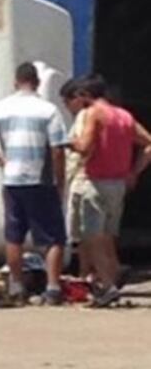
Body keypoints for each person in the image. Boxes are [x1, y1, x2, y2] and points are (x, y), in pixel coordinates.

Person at [0, 63, 68, 306]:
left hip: (12, 179)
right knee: (53, 237)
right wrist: (60, 181)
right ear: (37, 82)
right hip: (40, 178)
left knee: (14, 236)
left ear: (15, 82)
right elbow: (57, 149)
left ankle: (17, 286)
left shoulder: (1, 108)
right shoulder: (48, 110)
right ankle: (52, 288)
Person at [69, 75, 151, 306]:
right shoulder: (124, 116)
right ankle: (111, 278)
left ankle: (107, 286)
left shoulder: (94, 114)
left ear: (85, 95)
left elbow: (84, 147)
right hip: (118, 185)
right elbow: (148, 143)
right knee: (107, 236)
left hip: (95, 182)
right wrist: (134, 171)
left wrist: (67, 142)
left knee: (92, 236)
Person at [59, 78, 95, 282]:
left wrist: (64, 142)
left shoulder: (83, 117)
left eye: (66, 102)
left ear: (77, 99)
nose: (67, 108)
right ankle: (91, 273)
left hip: (81, 178)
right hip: (87, 177)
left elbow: (83, 147)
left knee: (82, 234)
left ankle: (86, 274)